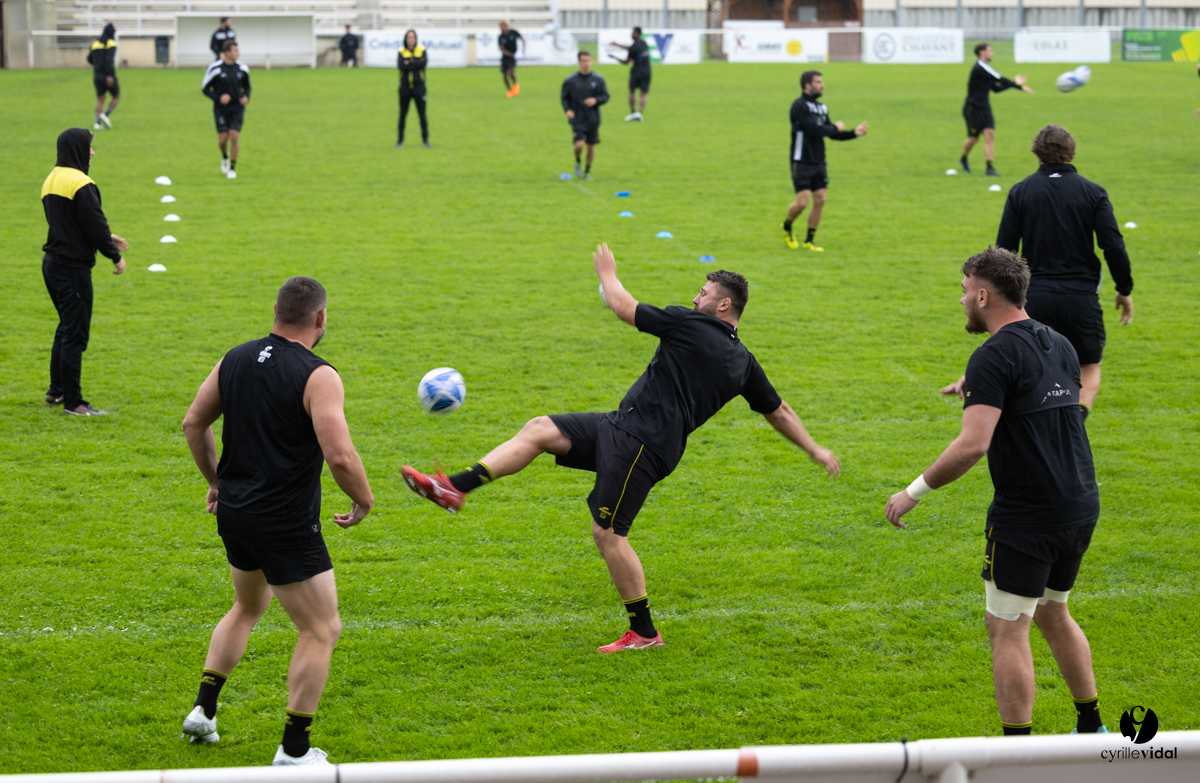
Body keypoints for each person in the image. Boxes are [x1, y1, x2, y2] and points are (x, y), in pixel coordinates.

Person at [402, 245, 841, 653]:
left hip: (640, 444)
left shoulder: (690, 324)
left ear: (723, 304)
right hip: (624, 428)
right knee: (539, 430)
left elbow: (622, 307)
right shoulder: (744, 362)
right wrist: (814, 449)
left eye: (703, 293)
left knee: (608, 534)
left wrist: (607, 272)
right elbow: (778, 410)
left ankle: (644, 632)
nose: (695, 298)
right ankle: (453, 488)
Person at [885, 247, 1106, 738]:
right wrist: (978, 383)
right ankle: (1092, 729)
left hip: (1028, 515)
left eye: (964, 291)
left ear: (983, 294)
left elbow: (972, 445)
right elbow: (1031, 383)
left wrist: (912, 492)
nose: (961, 299)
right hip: (1079, 502)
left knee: (1007, 628)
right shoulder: (1059, 343)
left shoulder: (992, 356)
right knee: (1053, 610)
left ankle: (1017, 755)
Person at [180, 276, 374, 766]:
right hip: (285, 524)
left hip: (237, 515)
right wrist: (364, 500)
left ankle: (203, 711)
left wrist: (216, 483)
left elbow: (193, 423)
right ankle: (294, 749)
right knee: (321, 629)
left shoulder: (235, 358)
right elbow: (341, 456)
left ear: (276, 310)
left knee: (246, 608)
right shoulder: (319, 375)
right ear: (321, 319)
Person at [995, 125, 1133, 418]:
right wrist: (1124, 289)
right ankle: (1075, 423)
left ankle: (1038, 430)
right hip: (1080, 298)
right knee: (1088, 365)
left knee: (1030, 369)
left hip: (1033, 299)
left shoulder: (1021, 192)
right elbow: (1113, 247)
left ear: (1037, 153)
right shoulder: (1093, 193)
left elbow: (1004, 252)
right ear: (1071, 152)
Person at [40, 127, 127, 416]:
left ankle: (57, 391)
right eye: (89, 146)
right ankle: (74, 403)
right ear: (77, 148)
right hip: (72, 269)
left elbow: (70, 223)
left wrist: (106, 236)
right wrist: (114, 256)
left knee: (65, 327)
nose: (92, 152)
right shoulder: (81, 182)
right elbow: (94, 223)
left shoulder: (51, 179)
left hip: (52, 264)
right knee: (75, 334)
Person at [781, 70, 868, 252]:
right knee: (802, 203)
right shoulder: (799, 106)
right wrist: (835, 127)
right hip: (801, 160)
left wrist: (853, 133)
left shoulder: (822, 108)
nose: (822, 85)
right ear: (807, 85)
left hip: (819, 161)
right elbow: (815, 129)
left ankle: (809, 241)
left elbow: (831, 133)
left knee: (820, 199)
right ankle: (787, 226)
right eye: (818, 82)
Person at [961, 43, 1033, 176]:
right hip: (973, 108)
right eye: (990, 51)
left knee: (990, 134)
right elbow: (999, 78)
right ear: (982, 52)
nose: (992, 53)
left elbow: (996, 88)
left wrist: (1014, 85)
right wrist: (1017, 85)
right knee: (974, 138)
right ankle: (963, 158)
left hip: (984, 107)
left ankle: (989, 168)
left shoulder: (986, 69)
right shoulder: (980, 67)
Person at [202, 40, 251, 180]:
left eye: (238, 50)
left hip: (237, 108)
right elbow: (205, 88)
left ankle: (232, 168)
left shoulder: (243, 68)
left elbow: (247, 87)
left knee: (234, 136)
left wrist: (246, 97)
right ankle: (224, 156)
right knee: (223, 140)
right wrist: (218, 98)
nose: (238, 53)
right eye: (235, 50)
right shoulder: (215, 68)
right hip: (221, 109)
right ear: (227, 52)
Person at [561, 51, 609, 181]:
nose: (586, 63)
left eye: (588, 60)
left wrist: (596, 100)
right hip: (577, 118)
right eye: (583, 61)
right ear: (579, 62)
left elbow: (605, 96)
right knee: (579, 144)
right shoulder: (571, 80)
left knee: (590, 146)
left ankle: (587, 172)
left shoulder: (598, 79)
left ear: (591, 61)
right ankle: (577, 161)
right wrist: (568, 110)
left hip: (593, 119)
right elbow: (564, 98)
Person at [396, 29, 430, 148]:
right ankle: (400, 141)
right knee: (402, 115)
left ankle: (425, 140)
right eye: (409, 37)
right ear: (406, 39)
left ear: (416, 39)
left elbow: (423, 64)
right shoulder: (401, 51)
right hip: (405, 88)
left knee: (422, 115)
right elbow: (401, 66)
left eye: (413, 37)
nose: (411, 39)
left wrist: (409, 63)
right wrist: (415, 63)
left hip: (419, 88)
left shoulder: (422, 50)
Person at [610, 26, 650, 122]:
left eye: (633, 32)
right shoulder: (644, 43)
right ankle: (639, 113)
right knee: (643, 93)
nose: (631, 34)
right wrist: (618, 45)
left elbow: (626, 62)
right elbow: (630, 48)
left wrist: (614, 57)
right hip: (647, 70)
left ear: (637, 33)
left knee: (632, 91)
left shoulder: (633, 47)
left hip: (637, 71)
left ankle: (632, 113)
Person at [86, 24, 119, 131]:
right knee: (116, 96)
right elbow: (109, 60)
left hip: (97, 75)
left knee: (100, 99)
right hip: (108, 75)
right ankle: (105, 115)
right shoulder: (111, 43)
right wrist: (109, 76)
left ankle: (97, 123)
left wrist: (97, 65)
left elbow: (89, 59)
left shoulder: (95, 43)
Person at [498, 20, 525, 97]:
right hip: (505, 57)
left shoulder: (513, 32)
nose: (502, 27)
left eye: (503, 25)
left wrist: (523, 50)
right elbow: (502, 49)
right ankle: (510, 91)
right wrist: (511, 54)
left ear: (506, 26)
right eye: (501, 26)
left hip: (513, 58)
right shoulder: (501, 37)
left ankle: (515, 84)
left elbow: (522, 39)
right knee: (504, 75)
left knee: (509, 71)